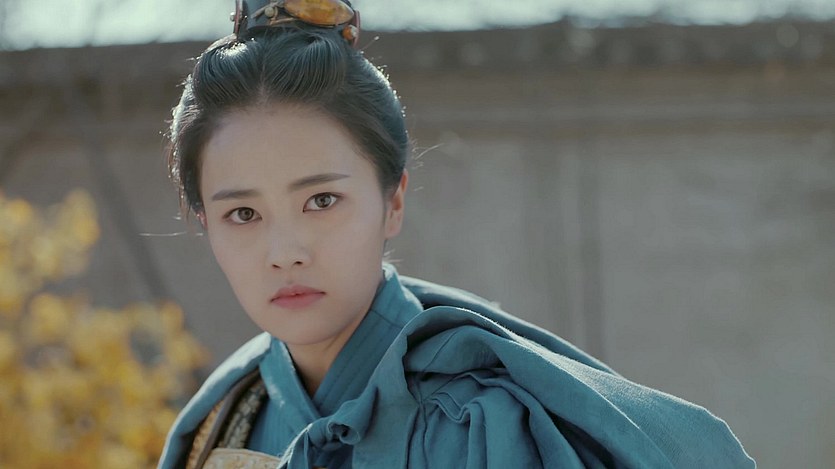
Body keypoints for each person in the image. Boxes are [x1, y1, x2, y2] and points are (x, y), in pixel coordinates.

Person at [158, 1, 755, 467]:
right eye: (243, 214)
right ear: (204, 221)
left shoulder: (477, 426)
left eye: (321, 201)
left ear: (393, 201)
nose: (285, 252)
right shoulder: (222, 424)